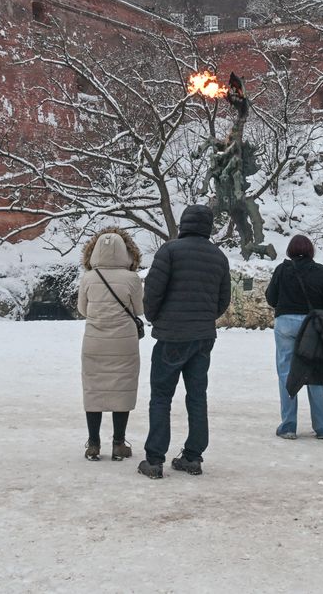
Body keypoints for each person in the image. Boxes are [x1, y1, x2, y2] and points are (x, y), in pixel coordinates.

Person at [138, 205, 231, 479]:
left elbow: (153, 292)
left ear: (183, 224)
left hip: (171, 336)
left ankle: (155, 459)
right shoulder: (218, 257)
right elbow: (223, 299)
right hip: (202, 337)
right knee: (197, 396)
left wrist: (156, 318)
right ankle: (193, 456)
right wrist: (204, 318)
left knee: (161, 397)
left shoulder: (169, 251)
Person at [76, 228, 144, 462]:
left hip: (94, 341)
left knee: (94, 390)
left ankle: (93, 444)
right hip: (124, 342)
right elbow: (140, 309)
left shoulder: (88, 278)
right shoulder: (132, 278)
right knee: (121, 389)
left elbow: (82, 310)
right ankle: (118, 443)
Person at [264, 234, 323, 439]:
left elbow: (271, 298)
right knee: (315, 374)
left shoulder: (282, 269)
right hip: (311, 326)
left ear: (290, 250)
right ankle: (322, 427)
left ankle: (288, 426)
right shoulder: (320, 271)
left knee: (286, 373)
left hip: (285, 323)